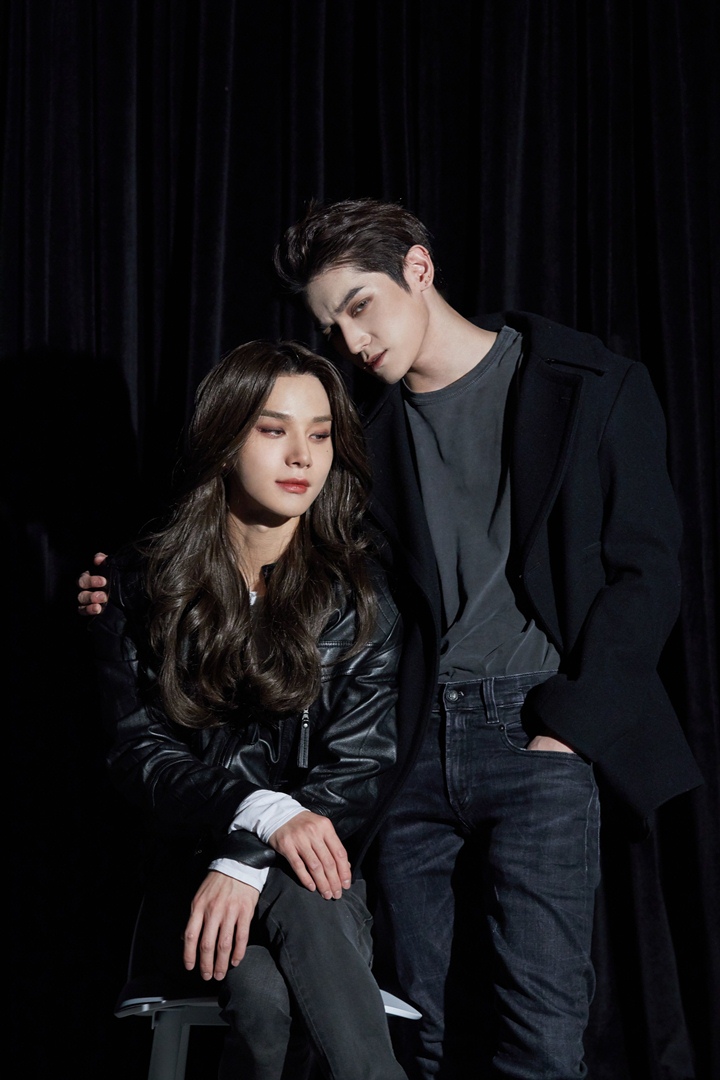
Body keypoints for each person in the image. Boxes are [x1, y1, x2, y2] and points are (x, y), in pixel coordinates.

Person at [80, 199, 703, 1079]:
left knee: (541, 1030)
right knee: (423, 1023)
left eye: (361, 306)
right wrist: (124, 580)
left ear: (419, 268)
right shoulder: (352, 421)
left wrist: (569, 729)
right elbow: (246, 521)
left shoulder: (587, 383)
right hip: (400, 743)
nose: (353, 340)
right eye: (331, 325)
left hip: (537, 728)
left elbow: (649, 573)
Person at [87, 339, 408, 1080]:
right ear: (225, 439)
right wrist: (256, 815)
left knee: (269, 987)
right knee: (264, 996)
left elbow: (358, 770)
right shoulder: (139, 586)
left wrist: (251, 854)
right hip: (189, 884)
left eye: (320, 435)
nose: (302, 456)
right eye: (273, 430)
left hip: (314, 883)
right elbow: (139, 754)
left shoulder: (359, 600)